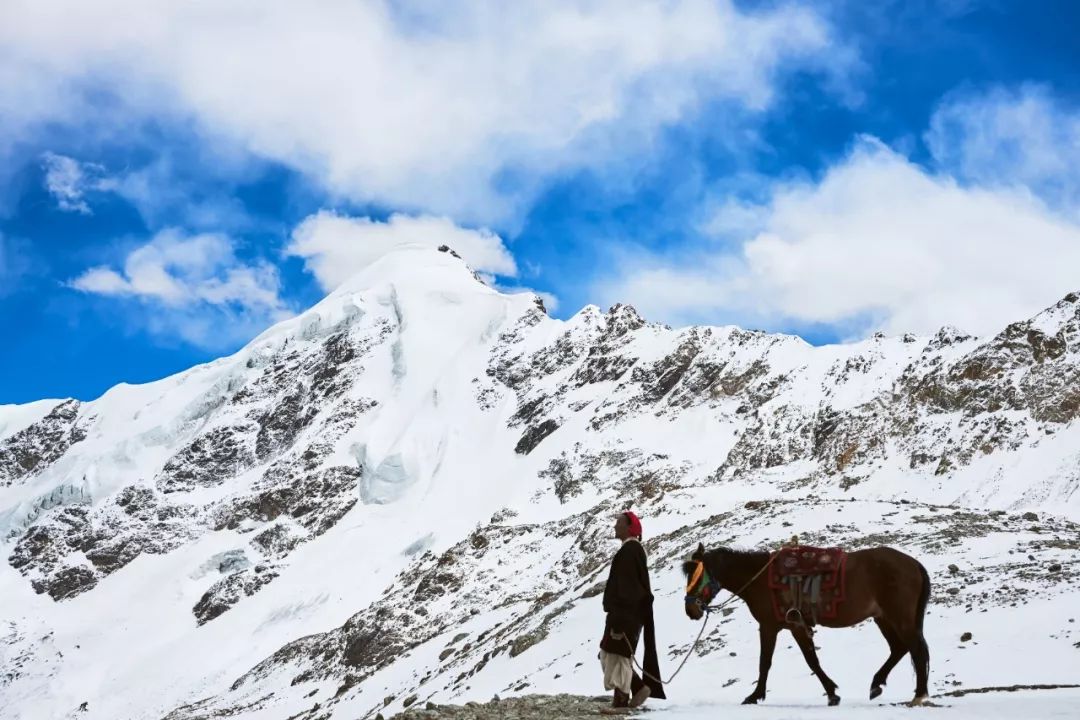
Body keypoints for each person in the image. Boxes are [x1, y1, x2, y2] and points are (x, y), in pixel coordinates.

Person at [598, 510, 666, 712]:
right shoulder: (632, 550)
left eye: (618, 522)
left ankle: (621, 702)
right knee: (611, 653)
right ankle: (638, 688)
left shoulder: (630, 551)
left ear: (628, 527)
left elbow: (628, 588)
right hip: (626, 614)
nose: (614, 526)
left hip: (625, 615)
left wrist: (619, 615)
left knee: (617, 656)